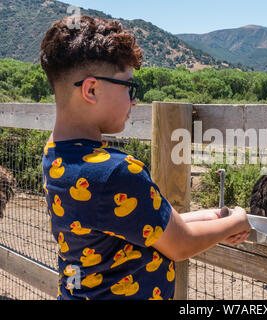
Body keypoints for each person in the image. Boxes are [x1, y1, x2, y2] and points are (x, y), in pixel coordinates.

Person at [40, 15, 251, 300]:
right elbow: (180, 245)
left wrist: (211, 220)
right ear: (91, 89)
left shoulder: (55, 156)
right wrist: (238, 220)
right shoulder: (116, 173)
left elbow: (142, 221)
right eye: (129, 87)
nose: (134, 99)